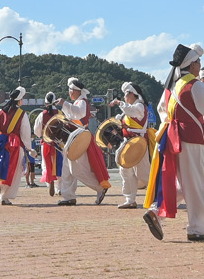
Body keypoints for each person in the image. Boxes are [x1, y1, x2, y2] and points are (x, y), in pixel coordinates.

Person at [143, 44, 204, 242]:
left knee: (182, 184)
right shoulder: (196, 86)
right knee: (198, 186)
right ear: (191, 64)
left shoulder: (174, 85)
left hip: (174, 139)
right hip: (191, 139)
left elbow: (164, 110)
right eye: (198, 61)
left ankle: (156, 212)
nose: (200, 64)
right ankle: (197, 229)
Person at [57, 78, 111, 206]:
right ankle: (68, 196)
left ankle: (99, 187)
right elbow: (73, 115)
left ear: (76, 91)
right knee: (67, 169)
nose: (69, 92)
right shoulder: (78, 102)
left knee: (76, 169)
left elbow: (79, 113)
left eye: (70, 90)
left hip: (80, 137)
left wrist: (64, 103)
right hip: (74, 137)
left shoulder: (81, 102)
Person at [0, 87, 31, 205]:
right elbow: (25, 133)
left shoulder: (0, 112)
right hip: (15, 145)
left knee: (0, 166)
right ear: (19, 101)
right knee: (13, 171)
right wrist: (29, 147)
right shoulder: (22, 114)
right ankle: (5, 197)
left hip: (1, 144)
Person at [115, 83, 154, 209]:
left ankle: (158, 196)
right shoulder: (131, 109)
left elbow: (130, 111)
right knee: (125, 171)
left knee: (143, 173)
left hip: (138, 144)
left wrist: (119, 103)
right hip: (128, 143)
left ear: (133, 94)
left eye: (126, 94)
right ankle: (130, 199)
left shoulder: (140, 106)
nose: (124, 96)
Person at [32, 93, 63, 197]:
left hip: (46, 143)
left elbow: (36, 131)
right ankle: (59, 188)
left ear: (45, 103)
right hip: (58, 144)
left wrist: (42, 134)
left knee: (46, 165)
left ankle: (50, 183)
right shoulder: (60, 113)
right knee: (59, 164)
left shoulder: (42, 115)